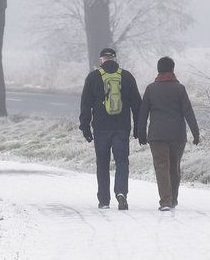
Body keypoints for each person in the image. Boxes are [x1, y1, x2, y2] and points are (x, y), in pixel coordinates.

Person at [79, 47, 142, 210]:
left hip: (101, 128)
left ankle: (104, 200)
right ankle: (121, 193)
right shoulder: (126, 76)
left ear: (101, 60)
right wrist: (138, 128)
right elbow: (137, 105)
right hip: (122, 127)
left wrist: (85, 127)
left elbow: (85, 105)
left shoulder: (93, 77)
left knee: (102, 163)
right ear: (114, 59)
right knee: (122, 161)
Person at [136, 56, 200, 211]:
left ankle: (165, 201)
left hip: (157, 136)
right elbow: (188, 112)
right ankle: (173, 199)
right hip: (177, 135)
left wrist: (141, 133)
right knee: (174, 167)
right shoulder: (179, 89)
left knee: (161, 167)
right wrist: (195, 133)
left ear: (158, 70)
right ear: (172, 69)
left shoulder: (151, 89)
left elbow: (143, 113)